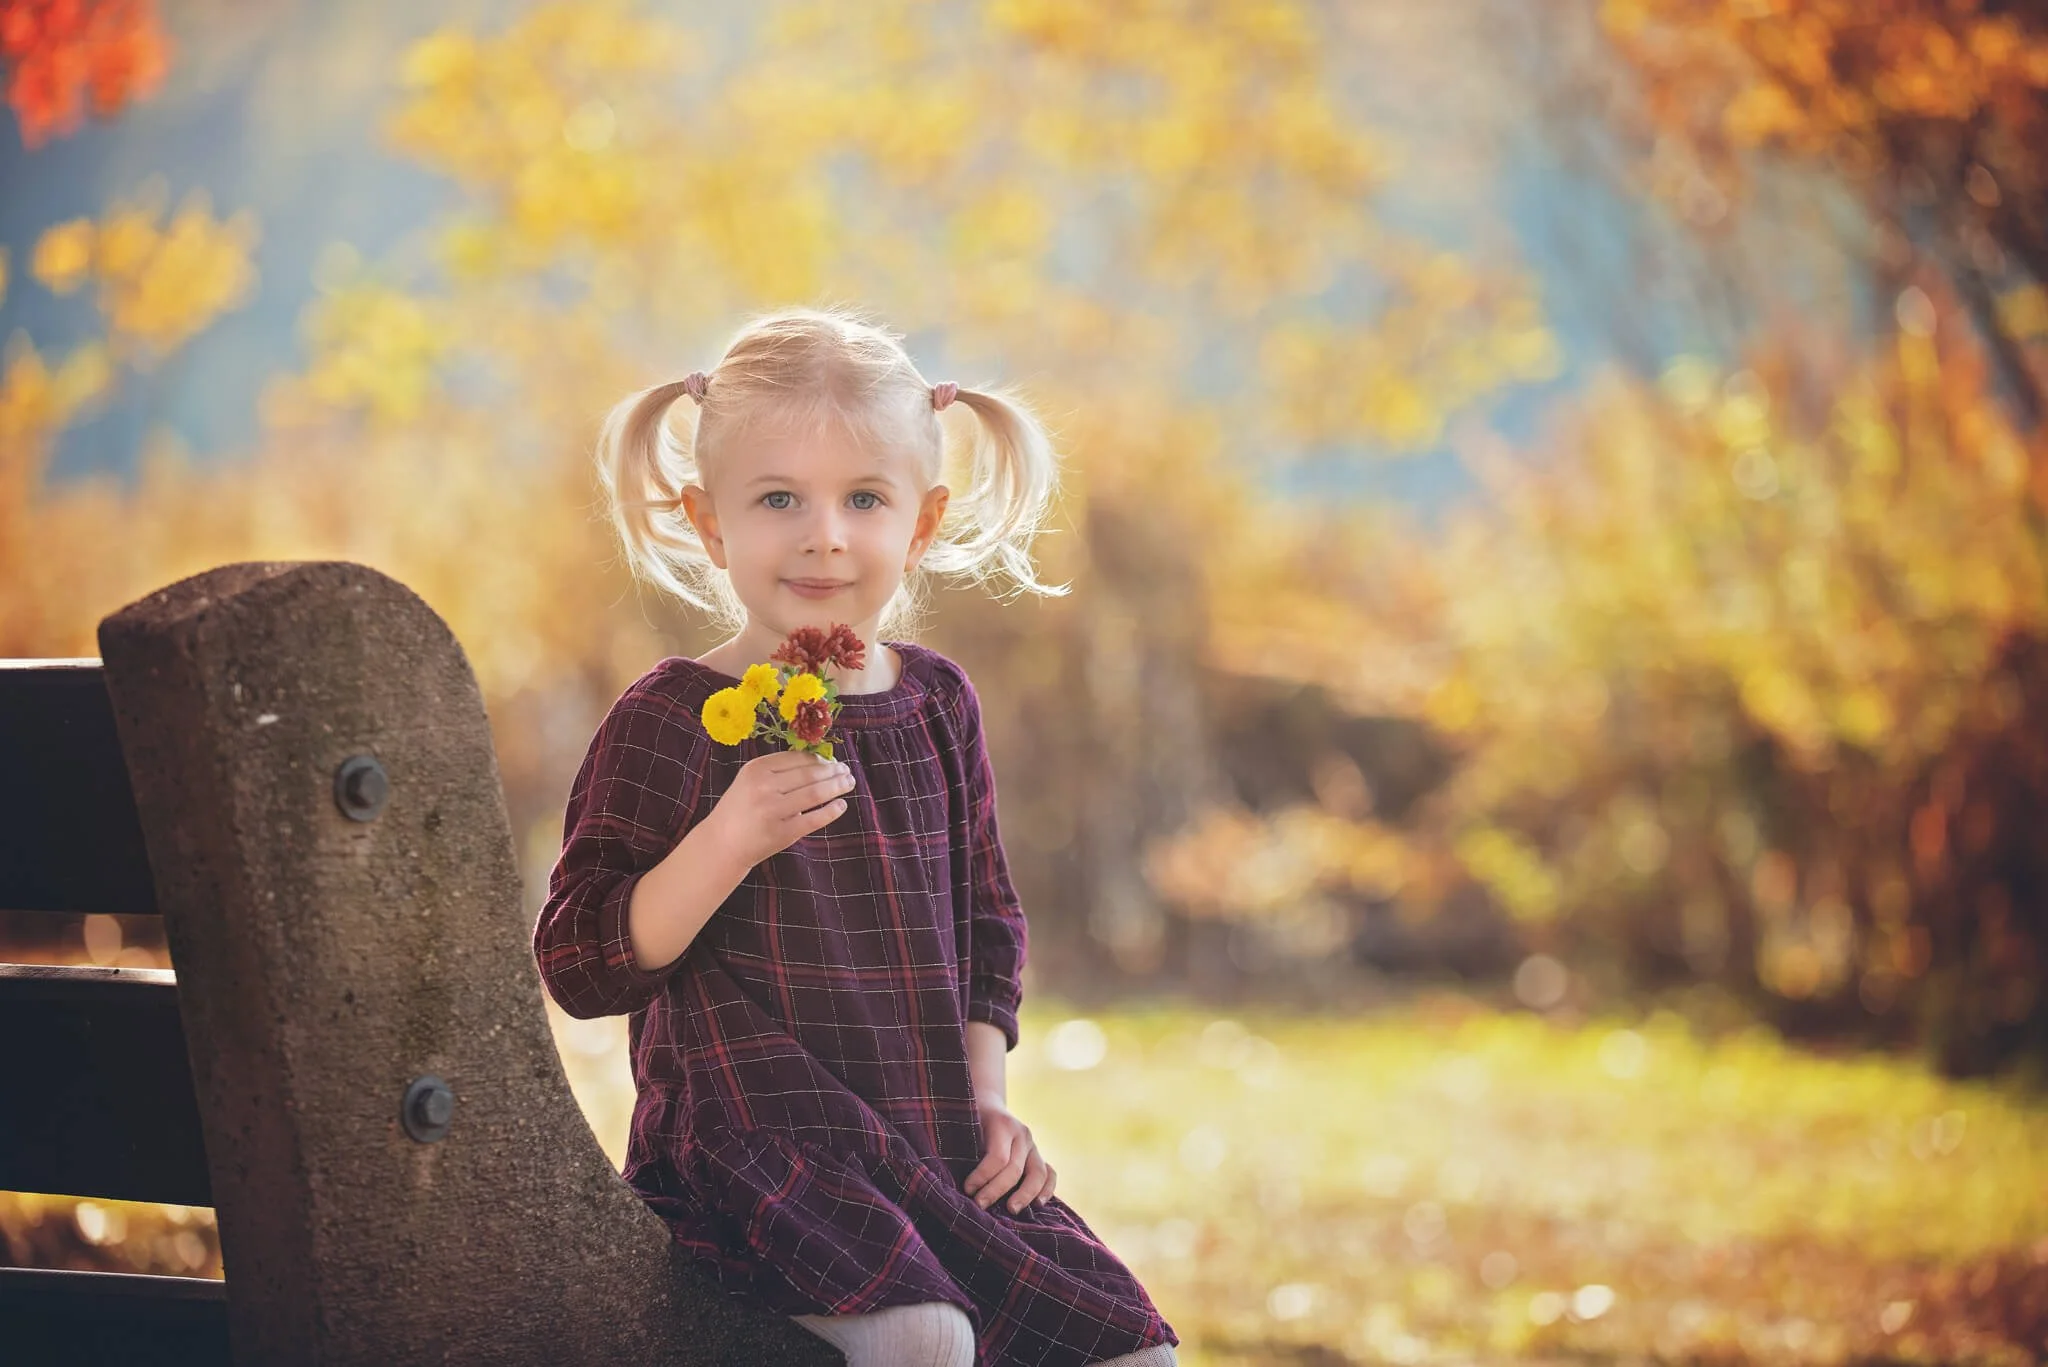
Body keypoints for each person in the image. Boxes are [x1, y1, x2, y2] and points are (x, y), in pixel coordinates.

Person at [532, 305, 1179, 1367]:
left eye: (862, 499)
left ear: (919, 524)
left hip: (925, 1131)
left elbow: (985, 921)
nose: (823, 533)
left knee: (1129, 1349)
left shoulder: (934, 703)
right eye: (778, 497)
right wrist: (724, 838)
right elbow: (577, 960)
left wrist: (985, 1098)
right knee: (922, 1335)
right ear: (708, 521)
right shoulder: (675, 713)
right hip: (755, 1148)